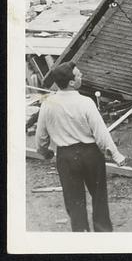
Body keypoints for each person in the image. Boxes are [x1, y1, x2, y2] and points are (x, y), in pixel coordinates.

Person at [35, 62, 126, 232]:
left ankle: (81, 236)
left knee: (73, 200)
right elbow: (100, 132)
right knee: (99, 197)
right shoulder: (86, 102)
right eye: (79, 75)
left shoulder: (48, 103)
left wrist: (44, 152)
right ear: (71, 82)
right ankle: (103, 234)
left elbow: (41, 136)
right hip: (91, 155)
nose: (81, 76)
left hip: (66, 157)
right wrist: (116, 154)